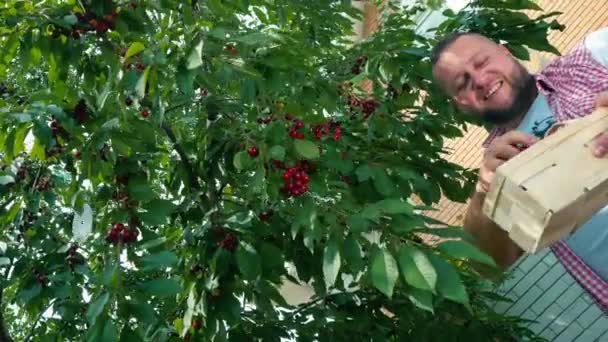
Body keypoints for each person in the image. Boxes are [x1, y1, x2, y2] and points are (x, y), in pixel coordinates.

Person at [431, 28, 608, 310]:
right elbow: (487, 265)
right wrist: (485, 192)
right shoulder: (499, 167)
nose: (478, 80)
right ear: (460, 105)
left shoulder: (593, 57)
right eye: (462, 84)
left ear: (506, 52)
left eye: (481, 62)